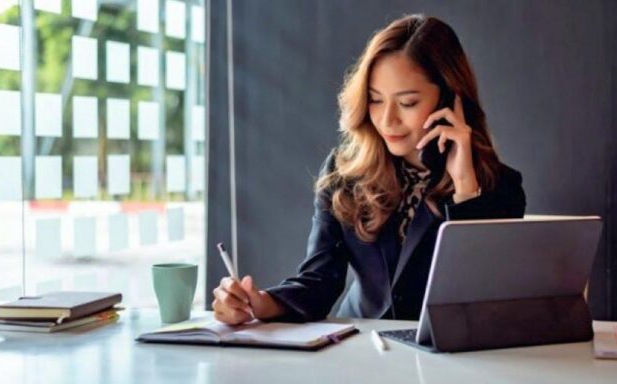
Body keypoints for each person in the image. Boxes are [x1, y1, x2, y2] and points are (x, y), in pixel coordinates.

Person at [212, 14, 526, 324]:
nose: (387, 120)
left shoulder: (500, 186)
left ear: (448, 100)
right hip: (360, 345)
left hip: (443, 351)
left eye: (407, 103)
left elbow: (483, 299)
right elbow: (318, 281)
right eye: (376, 100)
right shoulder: (344, 173)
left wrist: (465, 188)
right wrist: (259, 303)